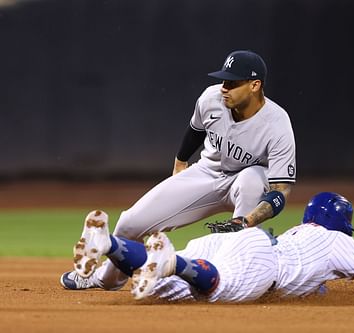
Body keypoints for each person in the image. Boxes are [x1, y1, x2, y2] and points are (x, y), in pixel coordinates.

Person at [60, 50, 296, 291]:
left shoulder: (277, 124)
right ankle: (104, 279)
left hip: (245, 186)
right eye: (223, 80)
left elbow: (280, 190)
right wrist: (180, 166)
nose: (224, 87)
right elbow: (195, 131)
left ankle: (238, 272)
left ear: (255, 85)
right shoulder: (211, 99)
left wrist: (248, 221)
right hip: (207, 173)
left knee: (253, 178)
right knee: (129, 223)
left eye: (233, 83)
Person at [129, 192, 354, 303]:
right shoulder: (339, 240)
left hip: (236, 243)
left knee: (160, 289)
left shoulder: (299, 233)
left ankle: (109, 245)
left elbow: (311, 282)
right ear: (341, 222)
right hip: (257, 262)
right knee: (214, 285)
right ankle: (174, 262)